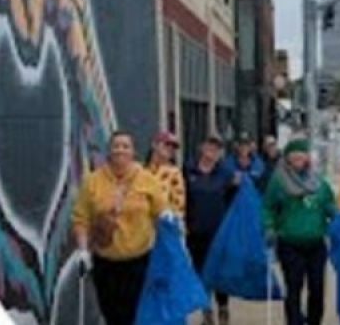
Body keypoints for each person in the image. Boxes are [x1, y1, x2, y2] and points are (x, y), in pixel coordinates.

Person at [71, 131, 172, 325]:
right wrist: (83, 250)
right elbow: (81, 218)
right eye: (116, 146)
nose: (120, 150)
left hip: (138, 261)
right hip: (105, 261)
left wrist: (167, 217)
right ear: (109, 151)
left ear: (133, 152)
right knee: (111, 312)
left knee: (132, 313)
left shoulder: (146, 179)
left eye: (125, 146)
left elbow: (160, 210)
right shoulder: (93, 181)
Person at [263, 138, 337, 325]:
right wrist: (269, 227)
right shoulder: (279, 182)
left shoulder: (319, 183)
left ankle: (314, 321)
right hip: (290, 243)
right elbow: (267, 207)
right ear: (287, 158)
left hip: (316, 244)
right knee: (294, 287)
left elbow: (329, 205)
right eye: (294, 155)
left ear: (307, 158)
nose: (298, 159)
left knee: (317, 288)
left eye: (301, 155)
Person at [185, 136, 239, 325]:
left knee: (219, 272)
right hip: (195, 233)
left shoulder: (225, 173)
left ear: (219, 154)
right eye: (209, 148)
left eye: (216, 150)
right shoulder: (188, 170)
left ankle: (223, 308)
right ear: (201, 148)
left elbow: (235, 199)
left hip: (219, 233)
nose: (211, 153)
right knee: (201, 272)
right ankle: (206, 310)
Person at [145, 130, 186, 221]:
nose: (170, 149)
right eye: (166, 144)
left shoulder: (174, 172)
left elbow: (179, 203)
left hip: (164, 221)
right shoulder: (141, 170)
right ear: (154, 145)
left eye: (173, 147)